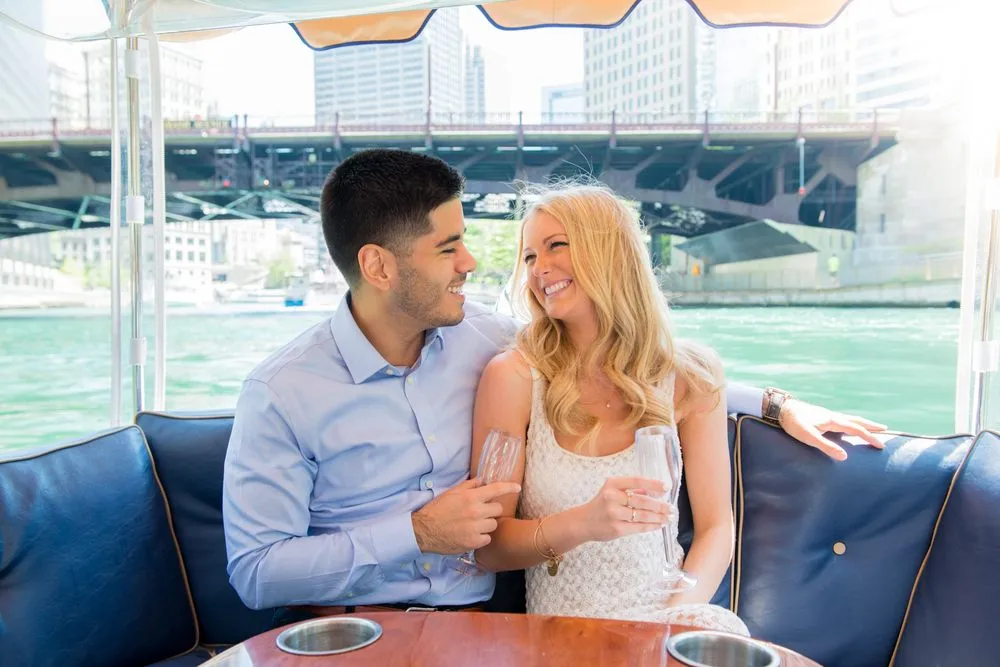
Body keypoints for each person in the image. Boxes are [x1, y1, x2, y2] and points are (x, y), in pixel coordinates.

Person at [221, 149, 886, 620]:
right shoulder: (282, 393)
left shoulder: (487, 339)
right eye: (448, 247)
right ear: (378, 267)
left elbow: (627, 364)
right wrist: (417, 532)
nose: (472, 262)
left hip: (479, 626)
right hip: (356, 627)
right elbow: (254, 572)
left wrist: (773, 403)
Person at [470, 183, 744, 633]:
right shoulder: (514, 377)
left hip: (668, 622)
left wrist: (675, 618)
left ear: (610, 251)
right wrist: (583, 523)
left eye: (556, 245)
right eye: (530, 256)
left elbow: (717, 529)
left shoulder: (690, 376)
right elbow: (489, 546)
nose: (539, 269)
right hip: (566, 636)